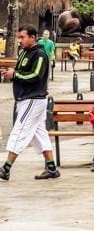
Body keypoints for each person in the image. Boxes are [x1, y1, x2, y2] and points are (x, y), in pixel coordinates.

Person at [0, 25, 60, 181]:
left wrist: (15, 74)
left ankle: (6, 168)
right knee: (38, 134)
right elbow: (22, 72)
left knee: (20, 130)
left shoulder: (40, 54)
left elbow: (36, 76)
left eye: (22, 37)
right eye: (19, 37)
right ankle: (51, 167)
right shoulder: (24, 52)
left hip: (33, 99)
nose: (19, 40)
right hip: (25, 99)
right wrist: (12, 73)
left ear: (33, 37)